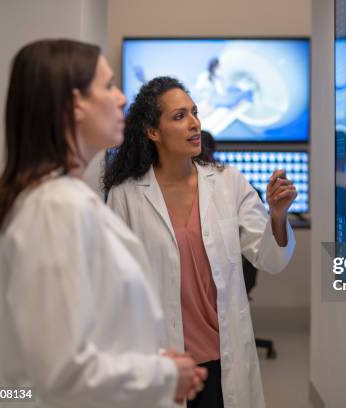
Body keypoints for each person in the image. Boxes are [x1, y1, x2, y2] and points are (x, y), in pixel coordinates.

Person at [0, 39, 206, 407]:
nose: (120, 99)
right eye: (109, 85)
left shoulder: (66, 199)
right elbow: (62, 373)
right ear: (75, 104)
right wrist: (161, 375)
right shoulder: (54, 208)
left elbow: (89, 338)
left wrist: (152, 362)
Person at [103, 76, 297, 408]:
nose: (194, 123)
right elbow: (112, 285)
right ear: (153, 131)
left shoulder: (228, 182)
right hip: (162, 360)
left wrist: (277, 215)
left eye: (194, 112)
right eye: (179, 116)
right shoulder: (126, 196)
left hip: (224, 358)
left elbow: (271, 260)